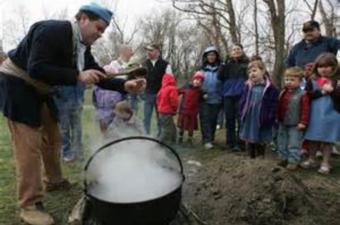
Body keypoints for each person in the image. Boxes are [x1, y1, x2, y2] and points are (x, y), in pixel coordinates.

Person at [0, 3, 145, 225]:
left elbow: (97, 74)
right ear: (83, 19)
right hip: (18, 84)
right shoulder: (53, 30)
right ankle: (29, 204)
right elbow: (36, 67)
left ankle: (54, 180)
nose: (100, 35)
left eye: (103, 31)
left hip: (41, 90)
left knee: (53, 138)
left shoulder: (81, 47)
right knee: (28, 146)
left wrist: (124, 86)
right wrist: (77, 75)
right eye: (99, 28)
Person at [300, 53, 340, 174]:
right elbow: (307, 95)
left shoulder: (337, 81)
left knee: (328, 140)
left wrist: (333, 91)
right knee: (313, 138)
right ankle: (311, 159)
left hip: (331, 114)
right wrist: (321, 92)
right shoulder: (312, 80)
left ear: (334, 67)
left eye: (328, 66)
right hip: (314, 114)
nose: (323, 69)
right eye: (321, 66)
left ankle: (325, 162)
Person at [239, 60, 279, 158]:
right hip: (250, 116)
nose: (251, 74)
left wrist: (271, 116)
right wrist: (241, 112)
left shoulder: (270, 88)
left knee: (261, 136)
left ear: (263, 71)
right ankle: (251, 156)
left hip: (262, 117)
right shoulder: (248, 86)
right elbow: (243, 101)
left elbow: (274, 103)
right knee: (250, 135)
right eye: (249, 72)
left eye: (254, 71)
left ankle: (261, 156)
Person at [93, 45, 133, 134]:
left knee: (116, 131)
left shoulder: (116, 87)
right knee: (105, 132)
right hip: (102, 113)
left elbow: (122, 97)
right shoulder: (98, 87)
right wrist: (97, 109)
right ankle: (105, 144)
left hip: (115, 112)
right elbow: (94, 99)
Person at [277, 67, 310, 170]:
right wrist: (276, 117)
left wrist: (303, 122)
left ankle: (293, 160)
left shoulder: (303, 94)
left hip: (296, 124)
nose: (289, 82)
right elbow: (279, 106)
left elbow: (305, 109)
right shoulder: (283, 92)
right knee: (282, 141)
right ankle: (283, 158)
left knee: (294, 144)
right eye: (287, 79)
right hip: (283, 122)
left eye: (292, 80)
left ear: (300, 81)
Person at [218, 43, 249, 151]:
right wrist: (223, 65)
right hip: (228, 95)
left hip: (241, 95)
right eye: (234, 50)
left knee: (240, 119)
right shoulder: (226, 64)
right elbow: (219, 76)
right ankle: (230, 143)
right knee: (229, 120)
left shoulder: (247, 63)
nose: (236, 51)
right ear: (231, 53)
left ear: (242, 51)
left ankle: (240, 143)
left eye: (238, 49)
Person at [143, 44, 172, 136]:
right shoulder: (143, 64)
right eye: (148, 50)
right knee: (146, 116)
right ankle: (145, 135)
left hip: (161, 95)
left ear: (158, 52)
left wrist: (166, 93)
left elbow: (170, 79)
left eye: (151, 50)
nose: (148, 52)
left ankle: (160, 136)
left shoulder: (165, 64)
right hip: (148, 94)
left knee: (160, 117)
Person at [54, 81, 85, 162]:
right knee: (64, 130)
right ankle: (66, 153)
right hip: (62, 105)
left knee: (77, 129)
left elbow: (82, 87)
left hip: (77, 103)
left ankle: (78, 152)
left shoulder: (78, 73)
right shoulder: (61, 72)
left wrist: (80, 99)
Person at [199, 46, 222, 150]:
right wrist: (201, 93)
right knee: (205, 119)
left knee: (213, 120)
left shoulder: (221, 69)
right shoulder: (201, 69)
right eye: (209, 55)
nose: (211, 57)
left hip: (217, 98)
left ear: (216, 56)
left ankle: (211, 138)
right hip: (204, 98)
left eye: (213, 55)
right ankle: (206, 140)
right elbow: (196, 83)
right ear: (206, 57)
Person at [177, 71, 204, 146]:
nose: (197, 82)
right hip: (184, 111)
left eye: (200, 81)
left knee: (191, 127)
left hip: (193, 112)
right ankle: (180, 137)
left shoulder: (200, 91)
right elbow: (177, 92)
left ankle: (189, 139)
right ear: (193, 79)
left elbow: (202, 100)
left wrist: (205, 96)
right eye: (196, 79)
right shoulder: (186, 87)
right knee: (182, 125)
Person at [156, 73, 179, 144]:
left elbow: (157, 100)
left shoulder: (162, 89)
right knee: (166, 129)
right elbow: (174, 101)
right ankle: (158, 143)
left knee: (172, 127)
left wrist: (160, 108)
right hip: (167, 112)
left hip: (160, 112)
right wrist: (174, 110)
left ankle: (173, 141)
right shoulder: (173, 89)